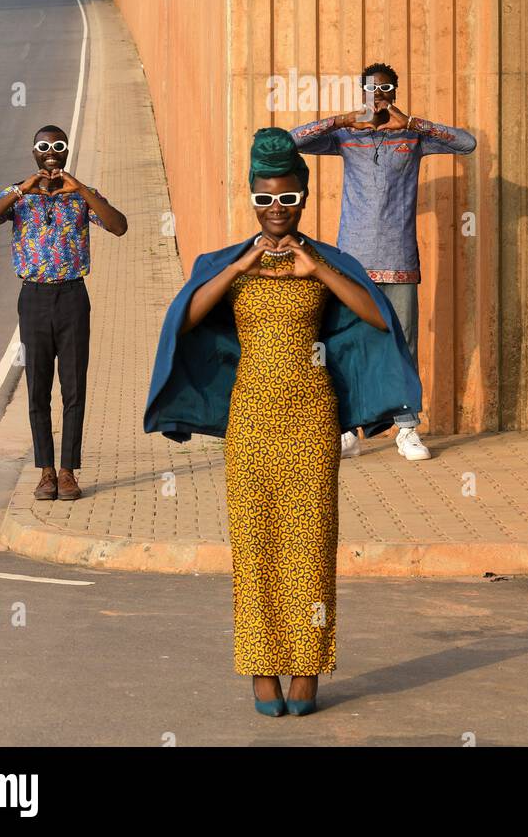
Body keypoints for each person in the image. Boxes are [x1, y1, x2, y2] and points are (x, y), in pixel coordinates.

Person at [145, 127, 421, 716]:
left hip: (311, 417)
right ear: (252, 199)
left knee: (311, 542)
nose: (277, 209)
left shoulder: (326, 261)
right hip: (251, 418)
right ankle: (261, 668)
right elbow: (185, 320)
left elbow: (378, 317)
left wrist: (315, 271)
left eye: (288, 198)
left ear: (303, 196)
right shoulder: (225, 264)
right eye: (265, 198)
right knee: (254, 546)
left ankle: (306, 670)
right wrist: (242, 262)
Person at [290, 61, 477, 461]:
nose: (379, 97)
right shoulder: (344, 136)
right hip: (351, 263)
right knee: (345, 344)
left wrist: (412, 122)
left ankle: (407, 429)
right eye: (372, 90)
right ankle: (346, 429)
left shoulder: (412, 137)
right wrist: (343, 119)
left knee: (402, 343)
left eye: (386, 90)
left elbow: (466, 143)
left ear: (394, 92)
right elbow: (290, 142)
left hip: (399, 259)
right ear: (361, 93)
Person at [0, 124, 127, 501]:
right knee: (37, 389)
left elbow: (119, 226)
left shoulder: (80, 197)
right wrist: (20, 189)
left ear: (67, 151)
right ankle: (45, 472)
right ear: (35, 153)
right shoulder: (19, 197)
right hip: (34, 299)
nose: (52, 152)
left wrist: (83, 190)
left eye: (59, 146)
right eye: (44, 146)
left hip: (73, 297)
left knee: (74, 388)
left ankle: (69, 471)